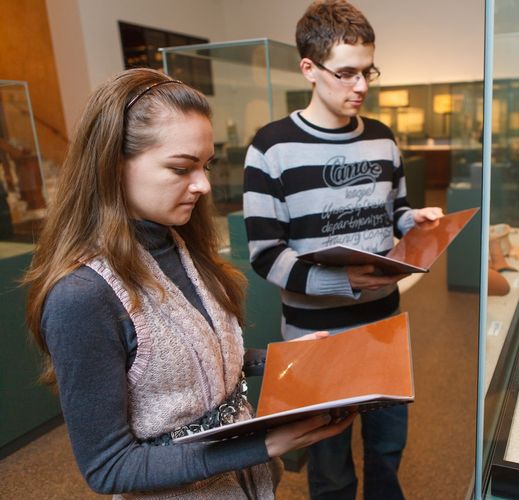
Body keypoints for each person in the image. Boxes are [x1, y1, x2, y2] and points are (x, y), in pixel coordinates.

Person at [23, 67, 354, 499]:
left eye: (205, 165)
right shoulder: (81, 297)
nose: (202, 185)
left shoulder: (181, 245)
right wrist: (262, 444)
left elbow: (198, 358)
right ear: (111, 165)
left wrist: (284, 359)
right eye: (181, 168)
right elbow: (107, 467)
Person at [243, 1, 443, 498]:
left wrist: (412, 220)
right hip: (316, 334)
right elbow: (266, 254)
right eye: (347, 73)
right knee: (329, 464)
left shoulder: (382, 138)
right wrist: (344, 281)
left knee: (387, 448)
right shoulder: (271, 148)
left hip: (384, 326)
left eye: (367, 71)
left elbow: (393, 209)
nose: (361, 87)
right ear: (309, 69)